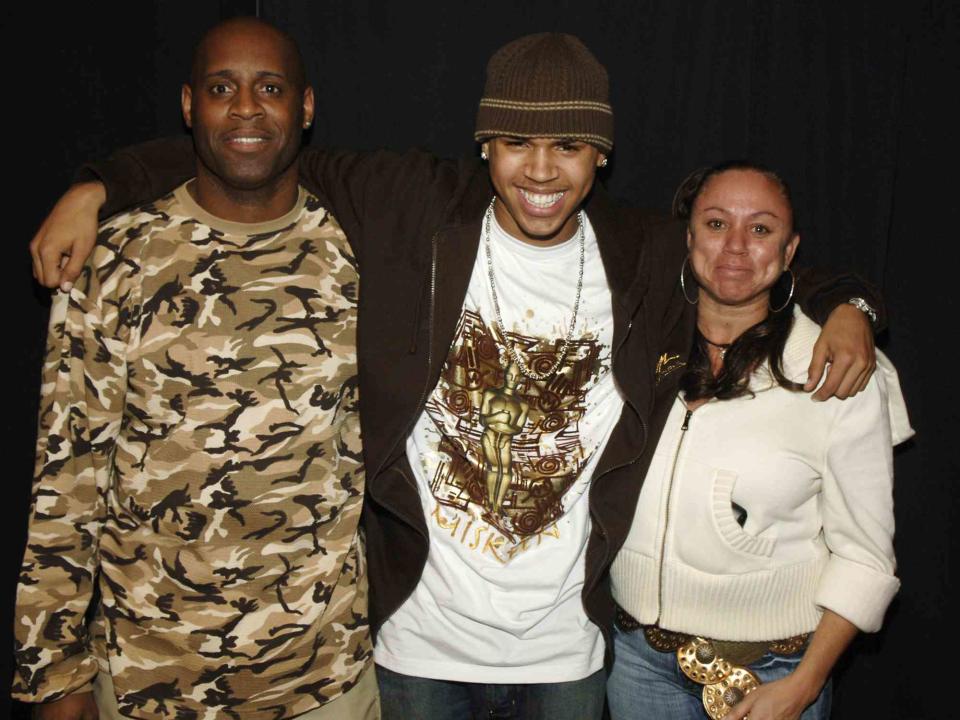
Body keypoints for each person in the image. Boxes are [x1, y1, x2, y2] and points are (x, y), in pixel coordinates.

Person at [27, 33, 883, 720]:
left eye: (570, 145)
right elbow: (250, 146)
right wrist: (98, 185)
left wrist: (852, 306)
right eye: (516, 141)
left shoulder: (642, 253)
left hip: (568, 656)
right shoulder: (410, 205)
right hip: (414, 649)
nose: (541, 170)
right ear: (483, 144)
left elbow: (743, 262)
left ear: (603, 157)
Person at [13, 18, 378, 720]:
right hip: (152, 682)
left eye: (270, 88)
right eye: (222, 88)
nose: (246, 108)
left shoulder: (355, 250)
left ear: (305, 108)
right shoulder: (116, 258)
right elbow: (66, 481)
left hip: (325, 681)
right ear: (189, 106)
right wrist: (52, 673)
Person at [606, 163, 912, 720]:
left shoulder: (832, 367)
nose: (738, 247)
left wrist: (804, 685)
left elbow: (866, 558)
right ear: (689, 237)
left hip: (772, 674)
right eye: (717, 224)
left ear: (790, 250)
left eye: (762, 229)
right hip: (635, 664)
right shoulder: (635, 344)